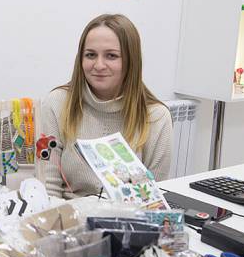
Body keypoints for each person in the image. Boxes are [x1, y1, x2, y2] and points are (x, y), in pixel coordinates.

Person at [41, 14, 173, 198]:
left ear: (131, 62)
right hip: (67, 218)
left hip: (126, 221)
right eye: (90, 55)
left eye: (111, 56)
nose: (99, 65)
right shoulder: (57, 103)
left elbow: (152, 197)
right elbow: (49, 188)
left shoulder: (156, 117)